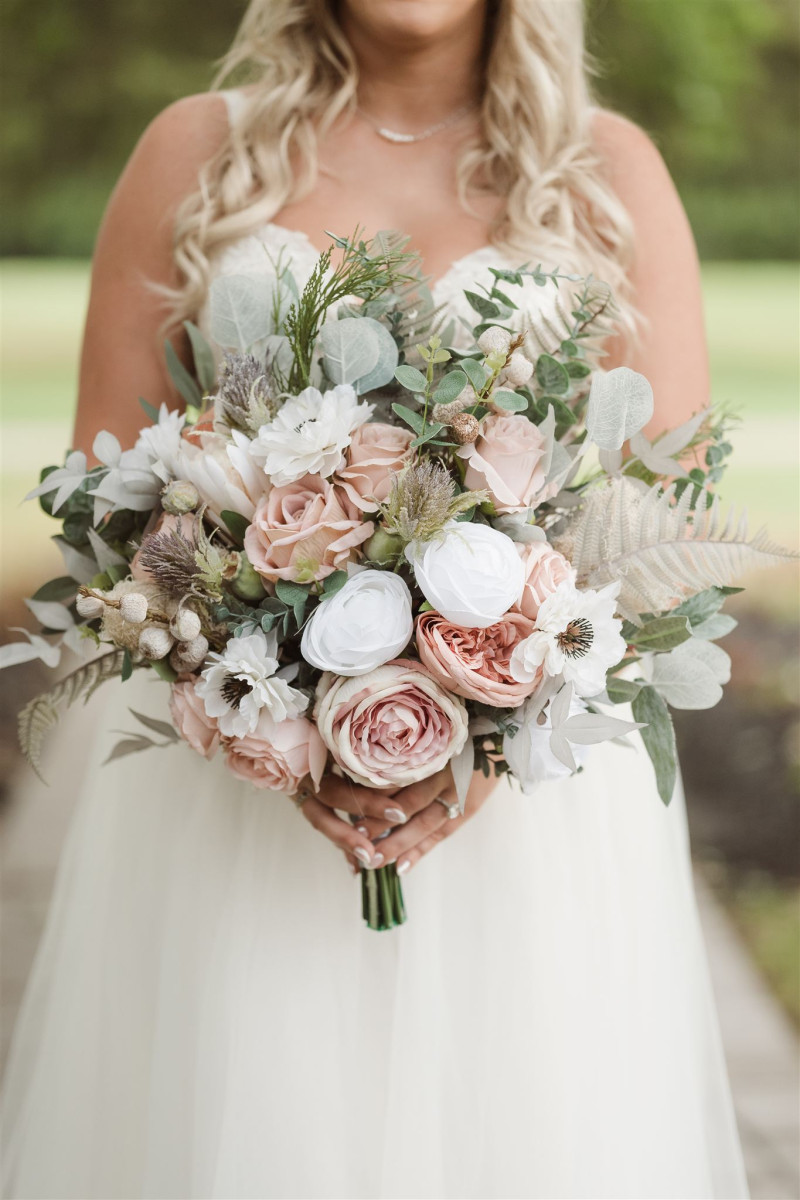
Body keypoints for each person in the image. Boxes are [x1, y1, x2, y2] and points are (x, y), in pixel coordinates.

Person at [2, 2, 748, 1196]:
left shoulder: (608, 174)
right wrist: (283, 717)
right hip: (235, 804)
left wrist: (487, 726)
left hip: (531, 810)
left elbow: (665, 519)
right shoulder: (195, 152)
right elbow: (108, 497)